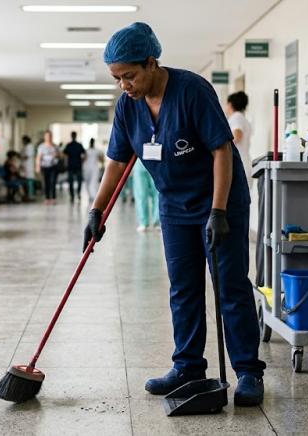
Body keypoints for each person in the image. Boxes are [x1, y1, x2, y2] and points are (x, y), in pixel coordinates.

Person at [84, 22, 265, 406]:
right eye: (116, 78)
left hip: (220, 201)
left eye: (129, 76)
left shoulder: (192, 91)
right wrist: (96, 211)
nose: (123, 86)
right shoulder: (127, 108)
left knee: (230, 286)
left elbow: (221, 151)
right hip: (174, 205)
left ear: (151, 63)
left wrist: (217, 211)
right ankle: (188, 366)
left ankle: (248, 371)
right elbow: (116, 164)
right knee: (183, 288)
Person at [225, 91, 253, 185]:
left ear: (230, 104)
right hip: (243, 163)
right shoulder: (241, 117)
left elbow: (237, 136)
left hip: (240, 165)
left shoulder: (236, 117)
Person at [131, 162, 159, 232]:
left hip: (156, 162)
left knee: (158, 193)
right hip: (139, 163)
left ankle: (157, 221)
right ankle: (143, 222)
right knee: (141, 193)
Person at [36, 130, 60, 205]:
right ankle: (47, 198)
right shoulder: (41, 146)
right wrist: (37, 166)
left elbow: (60, 156)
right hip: (44, 166)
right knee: (46, 183)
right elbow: (38, 157)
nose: (48, 138)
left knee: (53, 182)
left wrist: (56, 154)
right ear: (45, 137)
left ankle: (53, 198)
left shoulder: (55, 146)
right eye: (47, 136)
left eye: (50, 136)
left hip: (54, 166)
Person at [63, 131, 86, 203]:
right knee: (79, 181)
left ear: (71, 136)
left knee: (71, 182)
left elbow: (65, 155)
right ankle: (78, 194)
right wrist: (82, 162)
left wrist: (65, 163)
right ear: (76, 136)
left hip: (71, 166)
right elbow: (84, 155)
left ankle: (72, 196)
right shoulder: (79, 145)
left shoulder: (68, 145)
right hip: (78, 165)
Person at [83, 138, 104, 203]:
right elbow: (101, 159)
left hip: (88, 168)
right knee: (93, 182)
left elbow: (84, 159)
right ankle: (92, 196)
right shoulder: (96, 151)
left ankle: (92, 196)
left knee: (89, 182)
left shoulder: (87, 150)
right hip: (93, 168)